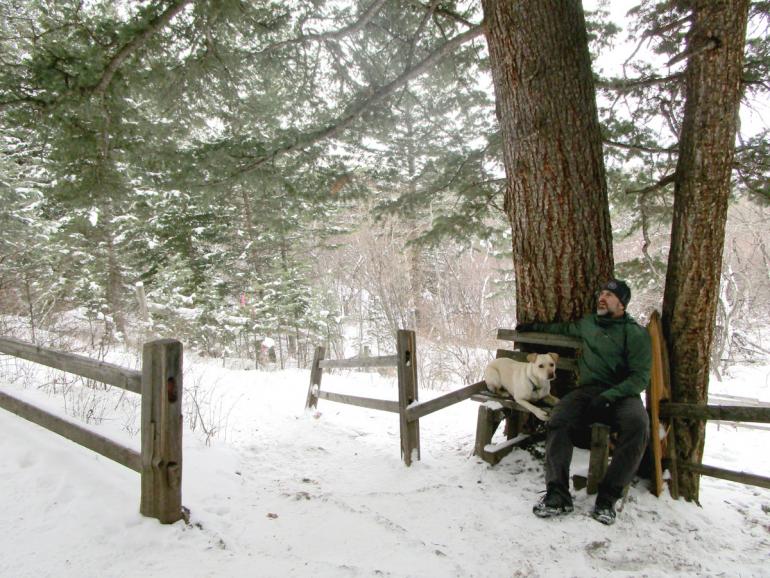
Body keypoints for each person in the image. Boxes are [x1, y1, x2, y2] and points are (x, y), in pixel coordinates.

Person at [522, 279, 651, 525]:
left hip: (622, 394)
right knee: (558, 419)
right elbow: (562, 330)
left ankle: (607, 500)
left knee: (638, 425)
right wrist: (532, 327)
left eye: (609, 295)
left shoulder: (635, 333)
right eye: (601, 293)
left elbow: (640, 377)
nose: (602, 298)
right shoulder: (588, 324)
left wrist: (609, 396)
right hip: (588, 391)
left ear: (621, 303)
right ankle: (558, 495)